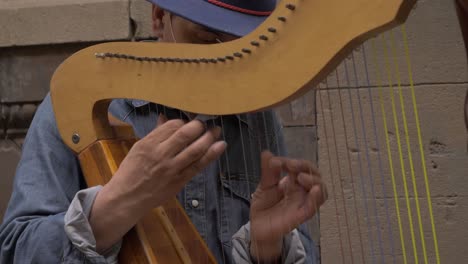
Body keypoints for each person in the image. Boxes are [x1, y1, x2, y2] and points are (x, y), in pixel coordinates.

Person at [0, 0, 328, 263]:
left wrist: (266, 247)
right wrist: (118, 202)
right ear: (159, 18)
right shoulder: (80, 105)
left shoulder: (258, 119)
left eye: (240, 52)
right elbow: (17, 250)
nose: (225, 65)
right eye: (205, 40)